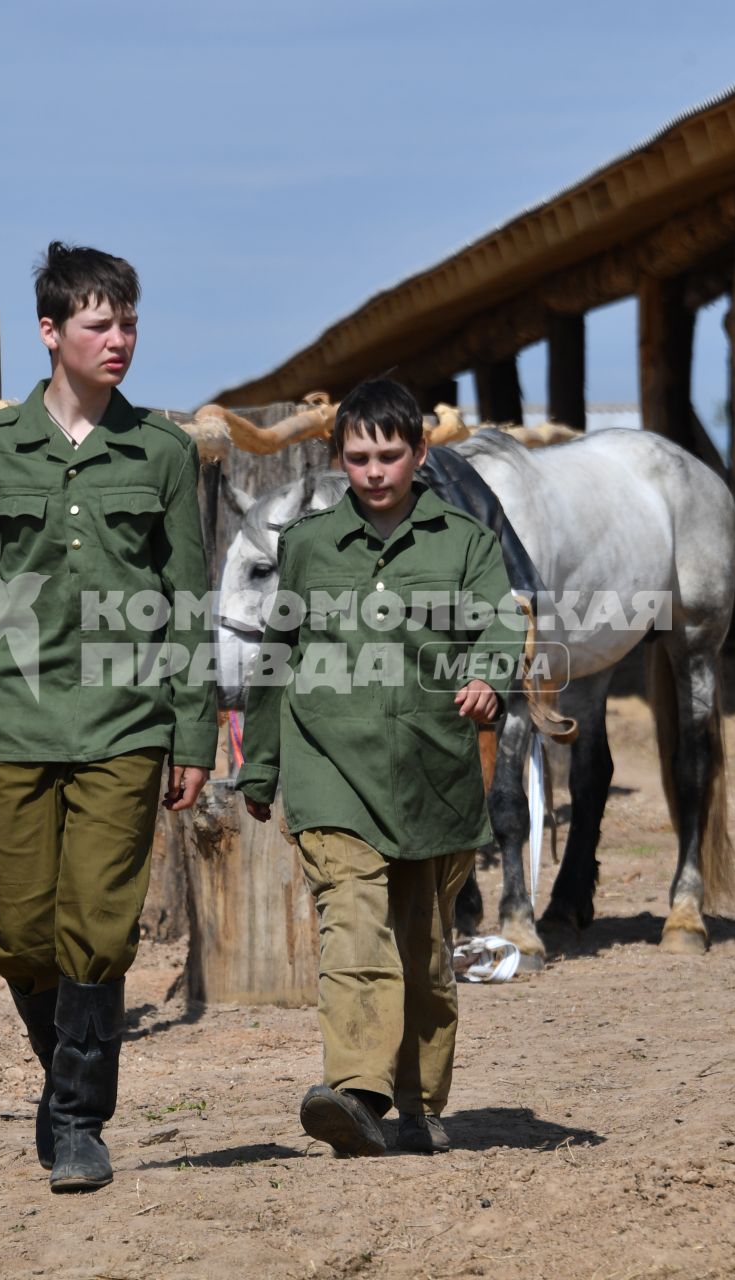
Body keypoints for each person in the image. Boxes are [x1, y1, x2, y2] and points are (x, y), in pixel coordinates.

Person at [0, 242, 213, 1192]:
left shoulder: (160, 452)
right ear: (51, 332)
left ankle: (79, 1120)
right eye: (98, 323)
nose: (118, 339)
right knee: (20, 936)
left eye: (128, 323)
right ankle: (62, 1085)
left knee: (101, 927)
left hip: (127, 722)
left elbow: (186, 599)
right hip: (11, 721)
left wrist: (192, 731)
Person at [235, 377, 523, 1156]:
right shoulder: (307, 546)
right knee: (354, 922)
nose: (374, 471)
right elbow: (275, 660)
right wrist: (259, 770)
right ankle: (357, 1090)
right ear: (338, 459)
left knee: (424, 949)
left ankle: (418, 1103)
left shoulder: (465, 541)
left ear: (419, 454)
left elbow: (501, 624)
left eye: (389, 455)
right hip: (330, 764)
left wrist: (489, 678)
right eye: (358, 457)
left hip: (432, 768)